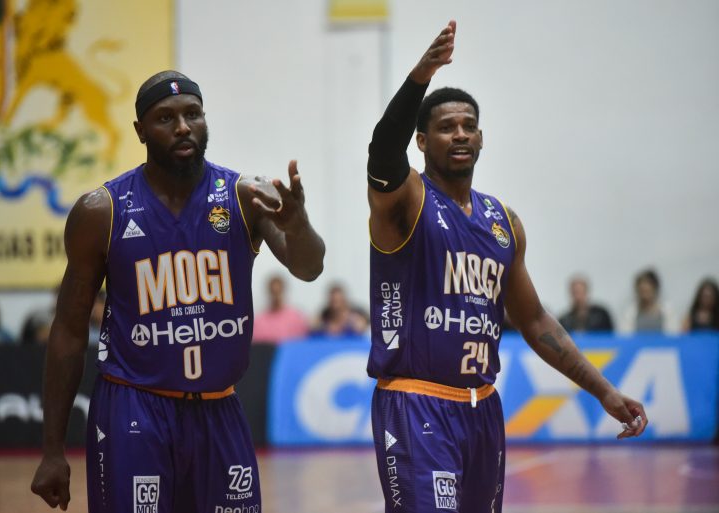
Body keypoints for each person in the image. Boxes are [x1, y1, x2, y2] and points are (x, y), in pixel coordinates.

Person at [365, 21, 647, 513]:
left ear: (481, 139)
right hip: (416, 403)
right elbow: (382, 152)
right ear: (422, 141)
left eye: (469, 126)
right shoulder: (408, 199)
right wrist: (421, 76)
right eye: (446, 127)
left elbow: (534, 321)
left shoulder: (503, 221)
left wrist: (603, 391)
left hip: (482, 409)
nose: (460, 134)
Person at [30, 70, 325, 513]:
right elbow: (70, 331)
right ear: (140, 131)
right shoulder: (101, 211)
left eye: (193, 114)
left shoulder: (246, 196)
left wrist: (298, 226)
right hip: (134, 408)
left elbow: (308, 267)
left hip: (218, 409)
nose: (184, 126)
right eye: (166, 118)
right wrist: (52, 449)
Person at [252, 274, 309, 343]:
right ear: (269, 292)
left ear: (283, 290)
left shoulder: (295, 317)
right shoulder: (259, 321)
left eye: (278, 291)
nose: (276, 296)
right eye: (273, 291)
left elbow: (301, 342)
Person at [619, 268, 679, 334]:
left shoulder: (668, 310)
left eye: (647, 291)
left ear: (655, 288)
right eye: (642, 291)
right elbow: (625, 335)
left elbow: (673, 334)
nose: (645, 295)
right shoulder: (630, 312)